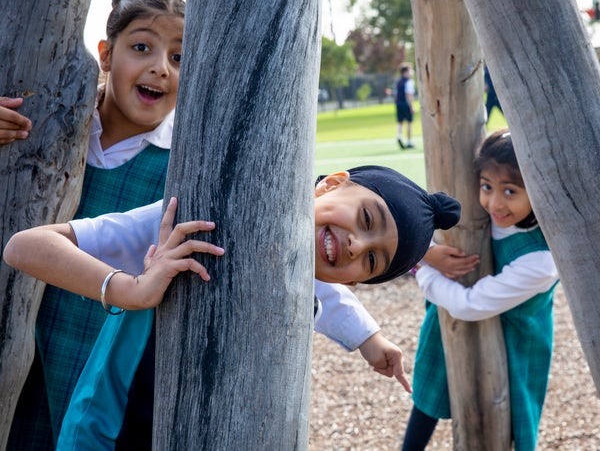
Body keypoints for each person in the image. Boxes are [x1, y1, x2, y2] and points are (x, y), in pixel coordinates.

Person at [4, 165, 461, 449]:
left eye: (370, 261)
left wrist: (372, 340)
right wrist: (131, 289)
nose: (355, 245)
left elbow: (324, 291)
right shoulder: (194, 222)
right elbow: (25, 246)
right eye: (365, 218)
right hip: (111, 433)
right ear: (332, 182)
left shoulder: (307, 269)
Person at [3, 0, 185, 450]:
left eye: (180, 57)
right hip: (14, 346)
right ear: (105, 55)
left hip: (99, 365)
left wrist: (362, 334)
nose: (160, 67)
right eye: (141, 47)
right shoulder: (46, 124)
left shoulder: (184, 166)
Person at [402, 130, 559, 451]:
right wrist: (428, 254)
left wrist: (424, 272)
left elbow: (468, 304)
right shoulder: (477, 214)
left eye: (510, 191)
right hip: (452, 319)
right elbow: (422, 228)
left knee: (509, 416)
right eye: (486, 186)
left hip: (518, 338)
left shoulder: (541, 259)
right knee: (429, 391)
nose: (494, 203)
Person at [394, 63, 416, 149]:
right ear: (405, 72)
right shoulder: (409, 81)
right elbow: (408, 95)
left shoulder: (398, 81)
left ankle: (398, 136)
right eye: (410, 70)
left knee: (400, 122)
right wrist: (412, 106)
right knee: (409, 123)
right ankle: (409, 141)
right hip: (405, 103)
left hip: (398, 103)